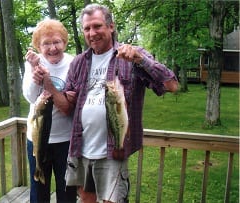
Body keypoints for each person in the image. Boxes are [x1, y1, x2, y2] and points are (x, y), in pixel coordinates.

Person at [42, 4, 179, 203]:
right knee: (86, 199)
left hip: (113, 150)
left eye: (97, 26)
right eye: (87, 28)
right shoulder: (79, 62)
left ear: (111, 26)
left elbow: (171, 85)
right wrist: (49, 85)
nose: (92, 33)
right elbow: (66, 107)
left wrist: (141, 60)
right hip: (81, 148)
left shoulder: (131, 55)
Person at [22, 19, 76, 203]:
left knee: (67, 189)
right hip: (37, 140)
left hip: (66, 140)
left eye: (57, 42)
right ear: (38, 45)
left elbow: (72, 104)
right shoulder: (33, 62)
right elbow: (30, 98)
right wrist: (34, 75)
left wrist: (47, 82)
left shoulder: (73, 63)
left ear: (64, 42)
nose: (52, 48)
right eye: (46, 43)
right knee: (38, 190)